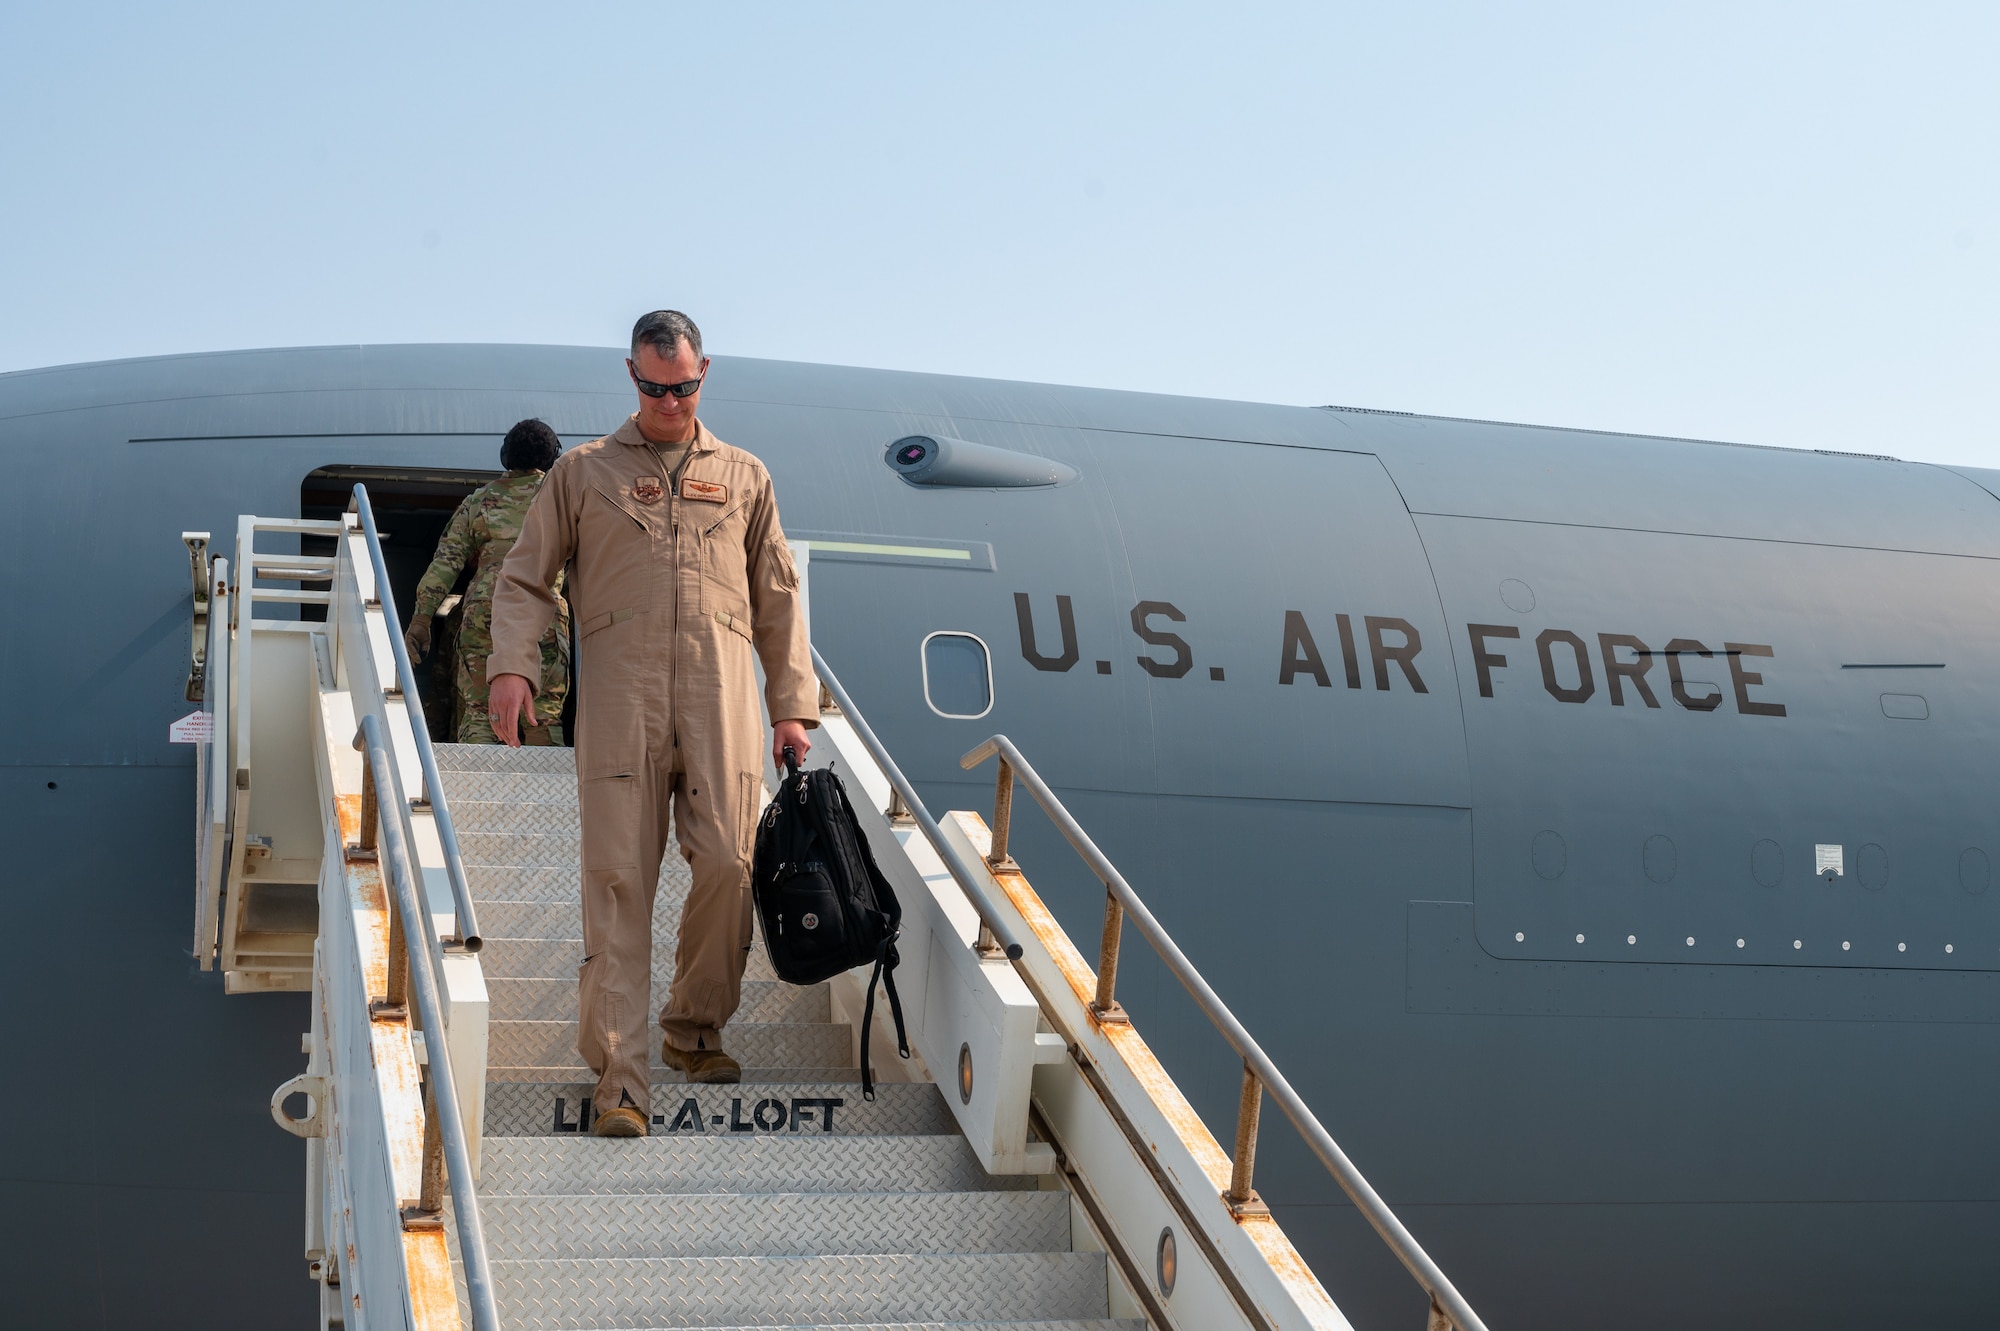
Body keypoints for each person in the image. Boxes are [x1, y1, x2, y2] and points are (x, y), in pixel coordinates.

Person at [486, 311, 817, 1138]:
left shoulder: (745, 475)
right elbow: (526, 578)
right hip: (621, 699)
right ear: (630, 376)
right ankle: (620, 1079)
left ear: (706, 371)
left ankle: (693, 1026)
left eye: (684, 386)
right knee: (617, 882)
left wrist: (791, 706)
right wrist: (511, 664)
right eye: (653, 387)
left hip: (719, 696)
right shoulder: (582, 471)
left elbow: (778, 596)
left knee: (733, 866)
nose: (669, 401)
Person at [404, 419, 571, 745]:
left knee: (481, 713)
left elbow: (445, 564)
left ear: (505, 456)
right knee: (543, 716)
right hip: (545, 614)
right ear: (553, 458)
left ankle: (472, 790)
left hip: (485, 612)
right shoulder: (563, 500)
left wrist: (422, 619)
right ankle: (544, 790)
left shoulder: (478, 501)